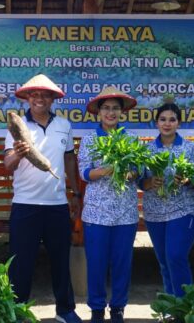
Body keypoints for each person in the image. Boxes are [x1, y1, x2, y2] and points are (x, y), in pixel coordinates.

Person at [3, 74, 81, 323]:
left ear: (52, 99)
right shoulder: (16, 127)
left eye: (45, 95)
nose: (39, 99)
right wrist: (18, 154)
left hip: (56, 205)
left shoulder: (64, 126)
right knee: (20, 264)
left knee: (60, 261)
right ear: (28, 98)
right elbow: (7, 165)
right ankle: (17, 311)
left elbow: (69, 159)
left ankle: (65, 310)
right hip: (25, 205)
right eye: (34, 94)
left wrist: (75, 193)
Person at [78, 86, 139, 323]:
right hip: (96, 214)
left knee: (122, 263)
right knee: (96, 263)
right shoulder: (90, 139)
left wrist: (130, 173)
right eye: (106, 108)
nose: (111, 113)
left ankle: (118, 309)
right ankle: (96, 309)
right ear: (99, 112)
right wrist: (106, 170)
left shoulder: (131, 138)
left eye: (115, 108)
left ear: (122, 112)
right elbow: (84, 172)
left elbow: (139, 170)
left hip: (125, 213)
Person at [141, 103, 194, 297]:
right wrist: (149, 181)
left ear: (179, 123)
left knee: (175, 256)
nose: (167, 124)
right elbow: (138, 180)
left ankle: (185, 307)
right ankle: (171, 308)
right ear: (156, 122)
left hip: (183, 211)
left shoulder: (190, 148)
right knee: (164, 262)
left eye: (172, 119)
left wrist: (188, 180)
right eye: (163, 119)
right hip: (155, 213)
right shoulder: (147, 149)